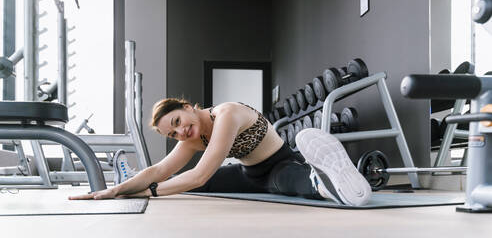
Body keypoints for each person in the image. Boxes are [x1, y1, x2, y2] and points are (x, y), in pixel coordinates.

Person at [69, 98, 371, 206]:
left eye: (178, 122)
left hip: (278, 165)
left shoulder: (226, 114)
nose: (181, 133)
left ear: (187, 107)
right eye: (172, 133)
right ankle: (322, 179)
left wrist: (149, 192)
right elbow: (160, 170)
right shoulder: (192, 135)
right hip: (248, 174)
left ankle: (324, 181)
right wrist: (114, 191)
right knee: (189, 188)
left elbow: (200, 174)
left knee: (292, 186)